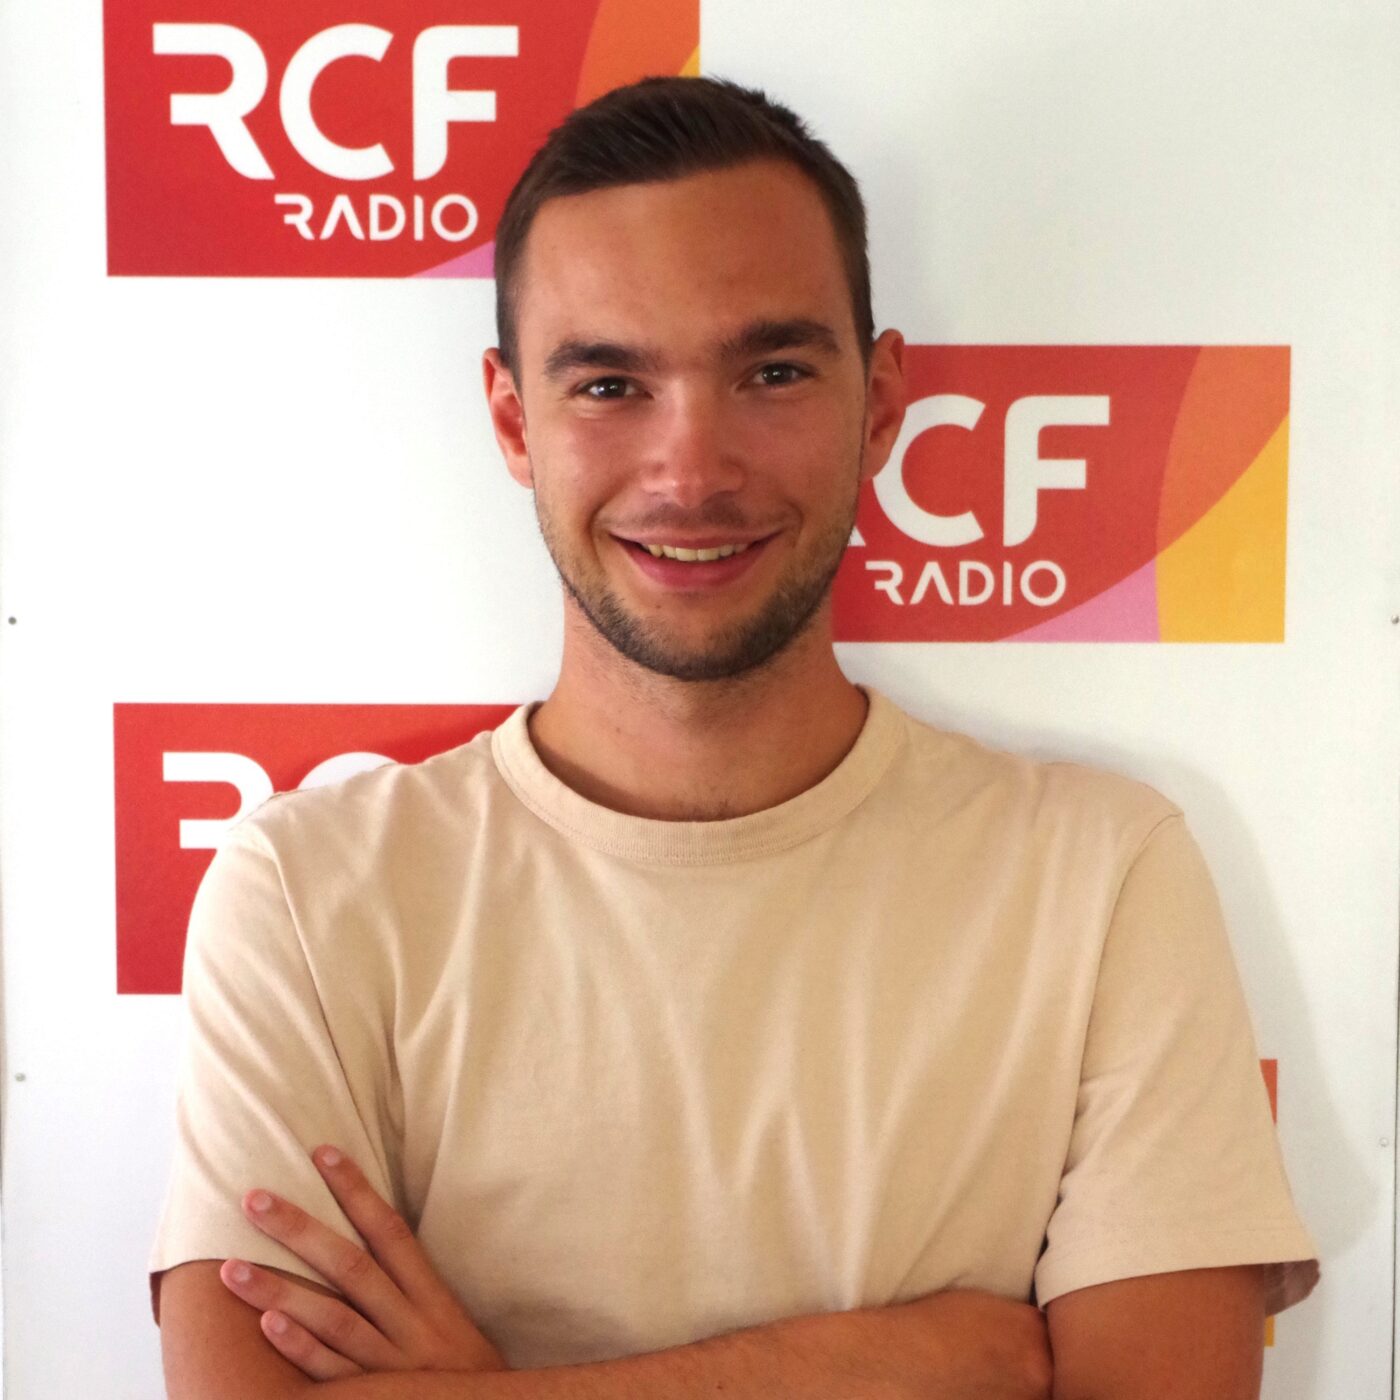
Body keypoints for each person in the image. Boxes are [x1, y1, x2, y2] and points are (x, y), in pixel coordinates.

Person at [152, 76, 1320, 1398]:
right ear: (512, 419)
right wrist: (916, 1363)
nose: (692, 469)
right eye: (609, 383)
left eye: (772, 373)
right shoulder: (309, 892)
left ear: (881, 403)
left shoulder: (1102, 875)